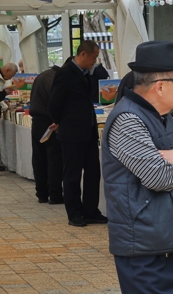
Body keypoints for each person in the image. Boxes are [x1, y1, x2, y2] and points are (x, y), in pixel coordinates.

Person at [102, 41, 173, 293]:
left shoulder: (163, 117)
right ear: (160, 86)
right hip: (146, 246)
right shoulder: (127, 119)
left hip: (171, 240)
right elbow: (159, 177)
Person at [49, 41, 106, 227]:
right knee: (72, 174)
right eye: (93, 57)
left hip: (88, 131)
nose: (95, 61)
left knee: (93, 173)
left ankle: (90, 211)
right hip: (72, 132)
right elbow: (55, 102)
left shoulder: (86, 74)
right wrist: (60, 121)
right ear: (83, 54)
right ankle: (74, 213)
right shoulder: (65, 73)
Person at [29, 64, 63, 204]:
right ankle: (55, 194)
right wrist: (58, 120)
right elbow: (55, 102)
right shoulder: (56, 78)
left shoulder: (42, 75)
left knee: (39, 159)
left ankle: (42, 193)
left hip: (37, 122)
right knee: (54, 159)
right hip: (50, 123)